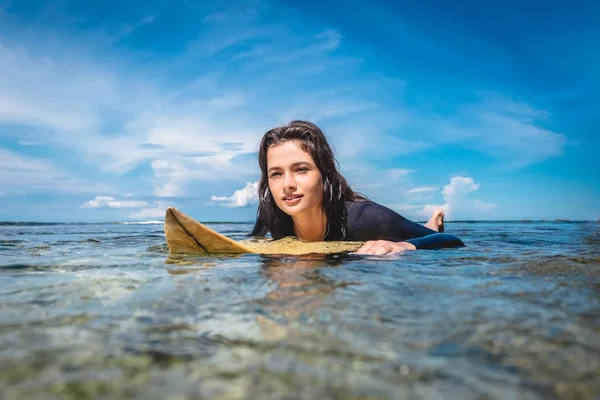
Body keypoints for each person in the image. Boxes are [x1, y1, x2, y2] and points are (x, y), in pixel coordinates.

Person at [249, 120, 464, 255]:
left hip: (398, 230)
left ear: (324, 173)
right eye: (276, 174)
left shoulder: (367, 218)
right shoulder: (271, 211)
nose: (287, 185)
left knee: (424, 233)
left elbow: (453, 241)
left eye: (301, 169)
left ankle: (433, 221)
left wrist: (402, 246)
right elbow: (251, 242)